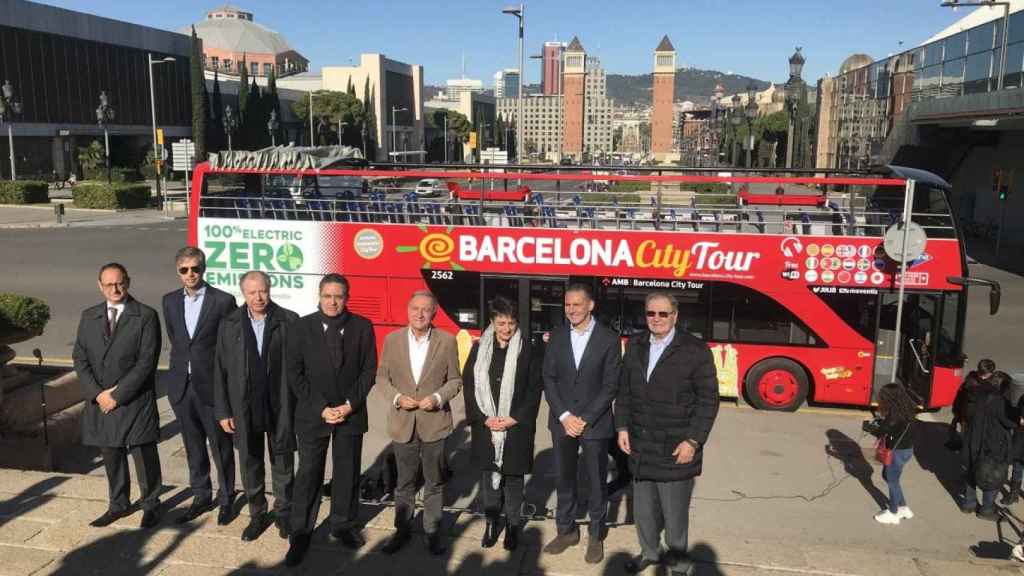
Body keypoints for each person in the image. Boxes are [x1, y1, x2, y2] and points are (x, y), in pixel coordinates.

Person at [615, 292, 719, 575]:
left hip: (676, 447)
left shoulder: (695, 350)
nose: (657, 319)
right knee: (644, 513)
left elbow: (708, 401)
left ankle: (678, 564)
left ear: (675, 316)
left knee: (674, 518)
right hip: (640, 445)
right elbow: (624, 391)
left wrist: (693, 441)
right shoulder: (635, 345)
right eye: (651, 313)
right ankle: (649, 552)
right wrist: (621, 426)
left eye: (663, 314)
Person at [284, 274, 377, 566]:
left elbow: (368, 370)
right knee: (309, 473)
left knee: (347, 472)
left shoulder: (362, 327)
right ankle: (300, 532)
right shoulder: (301, 327)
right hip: (314, 415)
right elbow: (294, 374)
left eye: (338, 296)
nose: (333, 302)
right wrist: (322, 408)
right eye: (327, 296)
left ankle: (343, 524)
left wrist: (349, 405)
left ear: (346, 298)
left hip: (351, 413)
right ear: (319, 296)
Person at [73, 263, 163, 529]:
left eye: (120, 283)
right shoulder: (89, 316)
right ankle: (118, 504)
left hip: (134, 400)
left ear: (128, 282)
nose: (115, 288)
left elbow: (147, 361)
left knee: (143, 455)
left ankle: (151, 505)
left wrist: (118, 394)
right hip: (102, 401)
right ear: (100, 286)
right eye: (109, 284)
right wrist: (97, 394)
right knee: (111, 454)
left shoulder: (145, 315)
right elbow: (80, 358)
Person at [214, 271, 299, 542]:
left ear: (269, 289)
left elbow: (299, 369)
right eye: (252, 292)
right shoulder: (230, 324)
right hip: (244, 406)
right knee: (250, 461)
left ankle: (284, 512)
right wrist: (224, 410)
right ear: (244, 294)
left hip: (280, 404)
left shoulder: (288, 320)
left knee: (282, 460)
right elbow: (220, 369)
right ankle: (258, 513)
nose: (258, 297)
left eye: (262, 291)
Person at [377, 291, 462, 556]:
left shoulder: (446, 341)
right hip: (403, 423)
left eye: (426, 310)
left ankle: (432, 533)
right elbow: (382, 379)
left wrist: (437, 398)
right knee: (404, 483)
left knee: (434, 482)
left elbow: (455, 381)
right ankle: (402, 531)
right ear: (407, 310)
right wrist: (397, 398)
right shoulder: (392, 340)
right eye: (415, 308)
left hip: (434, 423)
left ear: (434, 313)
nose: (420, 314)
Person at [542, 283, 621, 564]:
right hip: (562, 422)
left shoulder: (609, 339)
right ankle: (566, 531)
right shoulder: (558, 335)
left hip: (595, 425)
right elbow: (548, 379)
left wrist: (584, 418)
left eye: (577, 304)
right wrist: (564, 416)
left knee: (597, 483)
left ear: (590, 306)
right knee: (564, 479)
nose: (571, 310)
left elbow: (610, 386)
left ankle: (596, 536)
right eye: (567, 305)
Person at [162, 247, 238, 525]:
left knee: (221, 446)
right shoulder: (169, 301)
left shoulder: (222, 301)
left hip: (212, 387)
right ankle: (201, 495)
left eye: (195, 268)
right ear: (178, 272)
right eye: (184, 270)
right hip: (182, 387)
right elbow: (177, 339)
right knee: (193, 446)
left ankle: (227, 499)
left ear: (203, 269)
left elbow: (229, 346)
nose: (190, 274)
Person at [463, 296, 542, 551]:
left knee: (514, 480)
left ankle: (512, 526)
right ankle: (491, 522)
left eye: (510, 323)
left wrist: (514, 418)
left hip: (515, 426)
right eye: (501, 323)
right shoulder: (479, 349)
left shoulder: (527, 349)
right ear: (492, 322)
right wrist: (483, 418)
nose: (506, 329)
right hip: (486, 426)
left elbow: (534, 389)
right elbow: (469, 386)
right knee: (489, 479)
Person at [962, 370, 1016, 520]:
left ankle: (969, 504)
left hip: (973, 440)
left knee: (971, 472)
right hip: (991, 445)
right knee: (992, 477)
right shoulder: (1000, 403)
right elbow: (1010, 422)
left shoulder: (975, 394)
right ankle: (986, 510)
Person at [863, 383, 917, 525]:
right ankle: (903, 507)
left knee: (891, 480)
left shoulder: (894, 415)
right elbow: (892, 427)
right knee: (890, 477)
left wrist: (869, 428)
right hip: (907, 449)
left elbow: (882, 431)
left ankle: (893, 512)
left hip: (896, 452)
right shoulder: (907, 409)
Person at [952, 359, 996, 437]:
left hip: (981, 421)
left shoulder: (992, 385)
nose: (982, 377)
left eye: (985, 375)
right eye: (980, 374)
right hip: (967, 419)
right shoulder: (969, 383)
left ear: (991, 373)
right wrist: (957, 416)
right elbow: (959, 400)